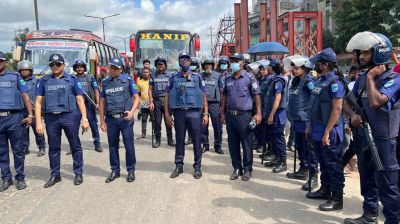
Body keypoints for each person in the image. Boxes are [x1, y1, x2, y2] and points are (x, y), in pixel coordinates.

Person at [343, 31, 400, 224]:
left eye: (366, 52)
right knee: (367, 180)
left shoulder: (394, 79)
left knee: (388, 184)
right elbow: (346, 102)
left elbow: (377, 102)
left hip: (385, 140)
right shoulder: (361, 78)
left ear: (380, 52)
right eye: (361, 53)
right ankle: (369, 215)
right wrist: (353, 115)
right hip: (364, 136)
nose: (361, 57)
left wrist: (370, 79)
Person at [35, 54, 89, 188]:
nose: (54, 67)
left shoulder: (72, 79)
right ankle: (55, 174)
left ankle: (78, 173)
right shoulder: (44, 80)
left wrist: (85, 119)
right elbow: (38, 102)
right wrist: (38, 122)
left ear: (63, 65)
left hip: (69, 116)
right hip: (51, 118)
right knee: (53, 148)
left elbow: (80, 99)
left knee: (75, 146)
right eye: (52, 65)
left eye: (57, 64)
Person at [305, 48, 346, 211]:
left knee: (333, 165)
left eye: (319, 63)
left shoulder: (335, 82)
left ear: (326, 64)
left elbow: (337, 109)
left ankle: (336, 198)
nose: (316, 66)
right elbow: (314, 105)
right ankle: (325, 189)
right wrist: (310, 125)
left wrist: (327, 131)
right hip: (316, 127)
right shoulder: (320, 80)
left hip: (330, 130)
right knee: (323, 162)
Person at [164, 52, 208, 179]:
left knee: (196, 140)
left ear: (190, 62)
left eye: (187, 59)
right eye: (182, 59)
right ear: (179, 61)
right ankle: (179, 166)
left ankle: (197, 166)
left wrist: (205, 113)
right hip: (179, 113)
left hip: (194, 112)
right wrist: (167, 113)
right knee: (179, 140)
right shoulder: (173, 78)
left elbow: (204, 94)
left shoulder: (197, 77)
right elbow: (166, 95)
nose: (185, 61)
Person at [220, 53, 261, 181]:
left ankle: (247, 169)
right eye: (232, 61)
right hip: (230, 116)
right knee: (233, 144)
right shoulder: (227, 79)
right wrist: (222, 113)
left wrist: (258, 113)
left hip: (245, 116)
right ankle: (237, 168)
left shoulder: (250, 78)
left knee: (246, 144)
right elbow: (224, 97)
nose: (234, 63)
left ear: (243, 62)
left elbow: (257, 96)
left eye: (237, 61)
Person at [99, 57, 140, 183]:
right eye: (111, 67)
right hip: (111, 119)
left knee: (129, 146)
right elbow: (102, 102)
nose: (112, 70)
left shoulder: (128, 81)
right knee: (112, 146)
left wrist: (132, 112)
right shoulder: (105, 82)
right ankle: (115, 170)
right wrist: (102, 121)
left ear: (121, 69)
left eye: (115, 68)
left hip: (125, 119)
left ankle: (131, 170)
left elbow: (136, 98)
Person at [0, 51, 33, 192]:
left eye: (0, 60)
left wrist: (30, 114)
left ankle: (20, 177)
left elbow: (25, 96)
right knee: (1, 151)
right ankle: (6, 178)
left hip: (15, 117)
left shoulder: (15, 77)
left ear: (5, 62)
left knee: (18, 150)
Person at [284, 56, 318, 190]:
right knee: (300, 146)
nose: (294, 70)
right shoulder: (295, 81)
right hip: (296, 120)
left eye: (297, 68)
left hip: (305, 120)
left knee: (309, 149)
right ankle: (303, 169)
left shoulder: (308, 81)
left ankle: (313, 176)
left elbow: (315, 96)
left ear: (305, 68)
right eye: (294, 68)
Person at [263, 59, 290, 173]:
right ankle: (277, 158)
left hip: (278, 114)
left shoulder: (279, 80)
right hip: (274, 113)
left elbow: (278, 98)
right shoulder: (275, 79)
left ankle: (283, 162)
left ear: (272, 68)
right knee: (274, 137)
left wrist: (271, 115)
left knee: (279, 137)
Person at [17, 60, 46, 157]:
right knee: (23, 131)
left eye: (26, 70)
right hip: (21, 110)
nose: (24, 72)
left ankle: (41, 147)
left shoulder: (36, 81)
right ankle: (25, 148)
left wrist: (41, 109)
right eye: (22, 70)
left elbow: (41, 96)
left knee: (37, 129)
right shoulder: (17, 80)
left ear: (30, 70)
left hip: (34, 110)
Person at [72, 59, 102, 153]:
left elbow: (96, 90)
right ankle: (74, 146)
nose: (79, 68)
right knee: (73, 126)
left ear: (84, 68)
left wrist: (97, 103)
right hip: (76, 106)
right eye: (77, 67)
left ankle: (97, 143)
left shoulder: (90, 78)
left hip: (89, 104)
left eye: (81, 67)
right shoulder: (72, 79)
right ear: (75, 69)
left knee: (93, 124)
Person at [148, 56, 175, 148]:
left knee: (168, 121)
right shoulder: (152, 75)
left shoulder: (170, 75)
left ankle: (170, 139)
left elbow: (174, 88)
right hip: (157, 101)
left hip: (168, 101)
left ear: (165, 65)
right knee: (157, 122)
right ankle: (158, 140)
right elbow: (150, 89)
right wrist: (151, 102)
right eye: (158, 64)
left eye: (162, 64)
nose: (160, 66)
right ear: (156, 65)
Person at [200, 58, 224, 154]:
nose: (208, 66)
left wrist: (222, 106)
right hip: (203, 104)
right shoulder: (200, 76)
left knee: (217, 125)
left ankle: (218, 145)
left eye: (210, 65)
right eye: (206, 65)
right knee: (203, 125)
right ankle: (205, 145)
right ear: (203, 66)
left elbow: (222, 90)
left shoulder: (218, 76)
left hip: (215, 104)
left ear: (213, 66)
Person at [136, 68, 152, 139]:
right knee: (144, 119)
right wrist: (138, 102)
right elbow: (138, 93)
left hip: (151, 103)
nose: (145, 73)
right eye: (144, 72)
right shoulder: (139, 82)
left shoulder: (152, 81)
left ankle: (155, 133)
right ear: (142, 73)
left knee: (154, 119)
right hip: (143, 103)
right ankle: (143, 134)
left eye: (147, 72)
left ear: (149, 73)